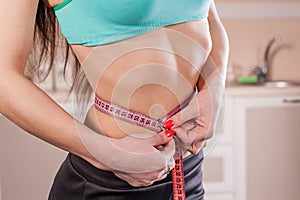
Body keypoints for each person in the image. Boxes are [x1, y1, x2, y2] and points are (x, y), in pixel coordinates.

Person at [0, 0, 229, 199]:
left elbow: (210, 19)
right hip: (110, 182)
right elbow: (4, 78)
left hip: (187, 168)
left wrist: (213, 93)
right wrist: (108, 155)